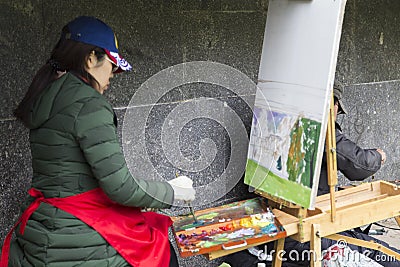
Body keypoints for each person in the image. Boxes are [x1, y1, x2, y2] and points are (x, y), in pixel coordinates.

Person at [0, 16, 195, 267]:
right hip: (76, 236)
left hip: (42, 227)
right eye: (111, 64)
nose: (114, 73)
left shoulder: (46, 96)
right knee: (159, 250)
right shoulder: (89, 103)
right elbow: (120, 187)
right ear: (91, 58)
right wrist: (173, 190)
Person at [225, 83, 399, 267]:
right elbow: (359, 164)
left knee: (364, 243)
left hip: (273, 223)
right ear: (332, 105)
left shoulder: (271, 120)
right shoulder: (316, 128)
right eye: (335, 109)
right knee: (376, 250)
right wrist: (379, 156)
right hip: (302, 231)